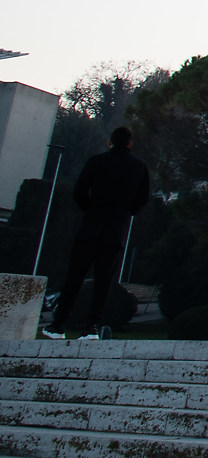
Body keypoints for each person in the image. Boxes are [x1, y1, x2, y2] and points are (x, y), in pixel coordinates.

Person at [54, 126, 150, 338]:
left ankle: (58, 324)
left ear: (110, 141)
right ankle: (92, 326)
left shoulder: (96, 161)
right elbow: (142, 198)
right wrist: (127, 211)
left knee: (74, 277)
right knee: (104, 281)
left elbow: (79, 191)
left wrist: (90, 209)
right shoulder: (139, 166)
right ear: (130, 143)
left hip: (90, 226)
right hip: (115, 230)